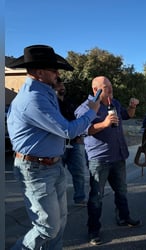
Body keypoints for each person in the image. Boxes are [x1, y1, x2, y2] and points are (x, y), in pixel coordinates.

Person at [6, 45, 100, 250]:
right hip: (36, 170)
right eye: (54, 70)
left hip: (51, 166)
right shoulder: (34, 98)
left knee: (60, 223)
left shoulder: (45, 93)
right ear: (40, 72)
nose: (58, 74)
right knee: (47, 227)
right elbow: (67, 130)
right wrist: (91, 112)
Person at [74, 76, 141, 246]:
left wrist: (132, 107)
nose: (110, 89)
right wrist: (103, 124)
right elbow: (82, 131)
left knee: (122, 191)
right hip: (99, 159)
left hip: (118, 156)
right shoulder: (86, 108)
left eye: (111, 86)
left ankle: (124, 217)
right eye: (106, 87)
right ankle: (93, 230)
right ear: (96, 90)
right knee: (96, 196)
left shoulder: (114, 103)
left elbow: (127, 115)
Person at [54, 77, 88, 206]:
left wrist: (80, 135)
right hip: (59, 143)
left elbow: (78, 120)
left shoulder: (71, 102)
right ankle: (57, 201)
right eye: (58, 84)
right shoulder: (52, 103)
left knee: (79, 171)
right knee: (58, 174)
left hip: (75, 142)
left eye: (63, 84)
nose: (62, 86)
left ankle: (80, 198)